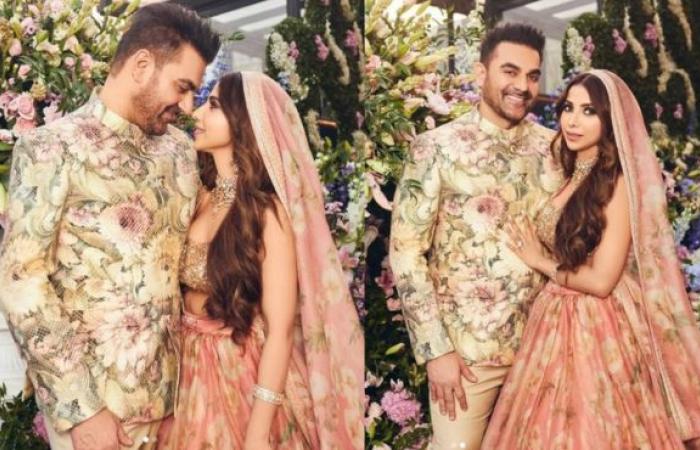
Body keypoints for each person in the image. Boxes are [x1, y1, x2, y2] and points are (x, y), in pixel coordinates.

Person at [0, 4, 220, 449]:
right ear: (141, 65)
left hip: (178, 407)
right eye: (182, 87)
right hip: (98, 412)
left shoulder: (180, 152)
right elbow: (22, 280)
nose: (186, 105)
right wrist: (81, 408)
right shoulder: (50, 148)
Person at [482, 70, 700, 449]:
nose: (573, 120)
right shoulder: (572, 176)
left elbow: (601, 281)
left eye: (589, 111)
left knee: (592, 424)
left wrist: (540, 261)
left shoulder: (617, 183)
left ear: (609, 120)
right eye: (568, 108)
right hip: (552, 318)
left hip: (599, 324)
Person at [156, 72, 364, 450]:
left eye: (213, 106)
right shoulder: (198, 197)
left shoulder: (267, 214)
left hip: (238, 372)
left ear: (245, 122)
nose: (197, 114)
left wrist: (257, 433)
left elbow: (280, 331)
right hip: (185, 370)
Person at [389, 23, 562, 450]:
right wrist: (436, 350)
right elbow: (406, 251)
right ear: (481, 72)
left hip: (546, 348)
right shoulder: (435, 147)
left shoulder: (556, 150)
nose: (523, 86)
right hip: (466, 357)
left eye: (532, 76)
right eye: (510, 71)